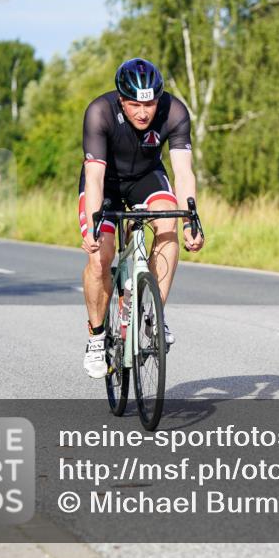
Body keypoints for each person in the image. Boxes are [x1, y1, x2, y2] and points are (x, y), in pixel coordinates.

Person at [79, 58, 204, 378]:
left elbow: (183, 172)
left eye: (149, 103)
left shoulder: (174, 112)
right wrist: (92, 225)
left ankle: (152, 314)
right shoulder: (100, 111)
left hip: (147, 178)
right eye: (135, 104)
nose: (143, 112)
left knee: (168, 224)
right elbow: (93, 177)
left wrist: (192, 217)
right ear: (121, 99)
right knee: (99, 257)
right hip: (106, 182)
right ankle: (96, 337)